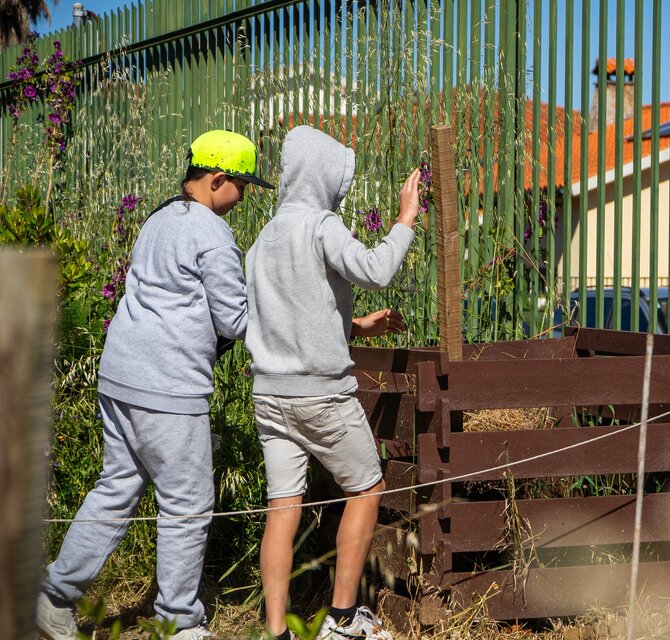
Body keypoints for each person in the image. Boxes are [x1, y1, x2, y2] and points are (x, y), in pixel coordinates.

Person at [36, 130, 275, 640]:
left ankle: (54, 597)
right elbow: (235, 321)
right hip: (169, 386)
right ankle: (178, 620)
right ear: (217, 179)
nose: (245, 196)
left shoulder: (159, 218)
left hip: (120, 375)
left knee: (116, 488)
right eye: (243, 185)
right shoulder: (213, 234)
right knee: (187, 505)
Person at [245, 125, 421, 640]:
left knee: (283, 507)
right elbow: (376, 270)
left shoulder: (262, 240)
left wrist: (356, 326)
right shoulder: (321, 226)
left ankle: (276, 630)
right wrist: (404, 220)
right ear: (323, 176)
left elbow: (291, 314)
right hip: (321, 395)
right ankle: (342, 620)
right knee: (366, 488)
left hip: (269, 396)